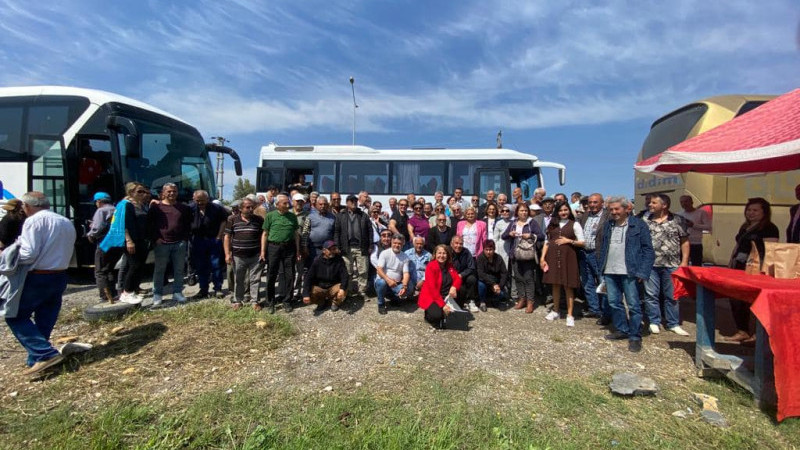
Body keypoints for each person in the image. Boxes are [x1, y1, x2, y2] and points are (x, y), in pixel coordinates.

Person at [3, 192, 76, 375]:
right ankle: (36, 360)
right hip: (59, 275)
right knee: (45, 317)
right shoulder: (65, 221)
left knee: (15, 316)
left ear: (27, 207)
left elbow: (29, 254)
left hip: (38, 276)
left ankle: (44, 354)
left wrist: (9, 255)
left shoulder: (33, 221)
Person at [596, 196, 655, 353]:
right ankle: (622, 329)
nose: (614, 212)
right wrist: (600, 267)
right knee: (614, 302)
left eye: (617, 209)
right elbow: (603, 247)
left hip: (630, 270)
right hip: (610, 270)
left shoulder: (638, 225)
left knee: (634, 305)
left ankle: (635, 336)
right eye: (611, 209)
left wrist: (643, 271)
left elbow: (648, 249)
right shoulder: (609, 225)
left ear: (626, 209)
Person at [726, 197, 780, 343]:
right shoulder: (745, 227)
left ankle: (758, 335)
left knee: (756, 302)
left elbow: (770, 251)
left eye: (755, 210)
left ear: (764, 212)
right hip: (739, 267)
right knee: (736, 299)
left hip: (757, 270)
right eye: (749, 210)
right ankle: (742, 331)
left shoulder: (769, 228)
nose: (751, 213)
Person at [643, 194, 690, 336]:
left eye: (654, 203)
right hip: (651, 264)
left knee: (672, 295)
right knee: (651, 294)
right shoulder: (645, 220)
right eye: (650, 202)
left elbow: (685, 241)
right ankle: (654, 321)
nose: (650, 205)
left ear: (664, 205)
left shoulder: (678, 220)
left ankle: (673, 323)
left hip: (672, 263)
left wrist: (685, 261)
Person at [540, 201, 584, 327]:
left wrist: (569, 240)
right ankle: (556, 311)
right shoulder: (552, 225)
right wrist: (543, 258)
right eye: (560, 210)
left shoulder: (574, 224)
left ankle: (570, 315)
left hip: (568, 258)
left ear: (569, 211)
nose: (563, 212)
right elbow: (547, 242)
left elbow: (582, 242)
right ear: (557, 212)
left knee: (568, 285)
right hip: (553, 258)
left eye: (565, 210)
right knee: (555, 285)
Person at [148, 183, 192, 306]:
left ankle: (177, 292)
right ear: (163, 193)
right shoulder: (156, 208)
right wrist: (156, 239)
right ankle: (157, 294)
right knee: (159, 270)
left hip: (179, 243)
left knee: (179, 270)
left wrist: (184, 239)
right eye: (169, 191)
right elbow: (150, 225)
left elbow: (187, 224)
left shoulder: (183, 208)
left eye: (174, 191)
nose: (172, 193)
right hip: (162, 243)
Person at [260, 194, 301, 313]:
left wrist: (297, 250)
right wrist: (263, 251)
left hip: (289, 248)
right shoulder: (270, 216)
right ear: (277, 205)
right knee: (271, 274)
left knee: (290, 274)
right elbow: (265, 234)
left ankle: (287, 301)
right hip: (273, 247)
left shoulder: (292, 216)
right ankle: (270, 302)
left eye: (288, 202)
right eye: (284, 203)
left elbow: (296, 234)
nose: (287, 205)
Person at [502, 203, 545, 314]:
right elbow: (503, 236)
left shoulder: (532, 222)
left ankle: (530, 301)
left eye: (525, 210)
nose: (524, 212)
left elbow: (541, 236)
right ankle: (522, 299)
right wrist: (510, 234)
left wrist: (530, 235)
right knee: (518, 278)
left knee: (529, 279)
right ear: (517, 212)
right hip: (515, 254)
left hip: (528, 254)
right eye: (521, 210)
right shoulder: (513, 223)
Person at [112, 182, 150, 305]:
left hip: (141, 240)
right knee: (134, 266)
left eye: (144, 191)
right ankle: (126, 292)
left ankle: (133, 290)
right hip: (130, 241)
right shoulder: (125, 205)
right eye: (139, 191)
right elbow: (123, 224)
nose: (143, 194)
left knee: (139, 266)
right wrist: (128, 240)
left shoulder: (140, 205)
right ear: (131, 192)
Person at [224, 197, 264, 310]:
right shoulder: (232, 219)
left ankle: (254, 301)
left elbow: (263, 236)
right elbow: (227, 237)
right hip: (238, 256)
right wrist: (227, 254)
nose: (250, 209)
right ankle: (238, 301)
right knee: (239, 279)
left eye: (252, 207)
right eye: (247, 207)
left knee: (255, 279)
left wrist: (262, 252)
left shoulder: (259, 220)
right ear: (241, 208)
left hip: (255, 255)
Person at [577, 193, 610, 322]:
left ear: (602, 203)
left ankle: (606, 312)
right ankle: (594, 309)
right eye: (590, 202)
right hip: (584, 253)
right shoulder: (584, 216)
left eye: (595, 202)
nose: (592, 205)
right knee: (587, 282)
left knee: (603, 283)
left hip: (599, 253)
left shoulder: (608, 216)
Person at [190, 190, 228, 299]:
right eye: (197, 201)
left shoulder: (217, 208)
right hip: (198, 240)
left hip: (213, 239)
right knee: (201, 266)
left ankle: (218, 289)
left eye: (202, 200)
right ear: (194, 199)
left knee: (216, 265)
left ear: (207, 199)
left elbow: (224, 221)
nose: (200, 203)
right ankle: (203, 290)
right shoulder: (190, 208)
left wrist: (219, 236)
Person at [334, 194, 372, 296]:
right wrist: (337, 246)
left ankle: (362, 291)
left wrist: (370, 245)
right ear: (347, 203)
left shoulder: (363, 215)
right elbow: (337, 232)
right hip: (347, 248)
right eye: (351, 201)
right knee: (348, 271)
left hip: (361, 247)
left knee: (363, 270)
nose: (353, 203)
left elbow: (370, 231)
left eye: (355, 201)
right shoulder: (340, 216)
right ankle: (349, 290)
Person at [417, 244, 461, 329]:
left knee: (461, 290)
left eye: (444, 253)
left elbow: (458, 278)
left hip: (445, 295)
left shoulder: (449, 266)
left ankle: (448, 312)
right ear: (435, 255)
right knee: (436, 316)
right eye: (439, 253)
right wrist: (443, 305)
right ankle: (428, 314)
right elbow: (433, 290)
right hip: (432, 297)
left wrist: (454, 287)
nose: (441, 255)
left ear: (447, 255)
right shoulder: (431, 266)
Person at [86, 192, 119, 302]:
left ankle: (104, 296)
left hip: (104, 243)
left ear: (99, 201)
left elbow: (98, 227)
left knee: (100, 271)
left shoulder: (101, 211)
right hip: (117, 243)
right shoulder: (116, 209)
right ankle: (113, 292)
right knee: (109, 269)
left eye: (96, 202)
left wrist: (90, 234)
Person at [302, 240, 349, 312]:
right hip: (320, 287)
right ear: (324, 251)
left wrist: (342, 289)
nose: (333, 251)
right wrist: (305, 294)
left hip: (333, 286)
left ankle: (335, 302)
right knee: (310, 291)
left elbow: (345, 276)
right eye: (330, 249)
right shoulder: (317, 261)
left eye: (334, 249)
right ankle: (321, 302)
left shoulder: (339, 260)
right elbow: (308, 278)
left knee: (343, 289)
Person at [374, 234, 411, 315]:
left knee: (405, 291)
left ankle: (394, 299)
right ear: (391, 242)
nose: (397, 245)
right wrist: (388, 280)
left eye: (399, 243)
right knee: (381, 283)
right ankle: (381, 304)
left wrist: (404, 286)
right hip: (384, 281)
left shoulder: (405, 257)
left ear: (403, 244)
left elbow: (406, 273)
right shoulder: (384, 253)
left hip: (396, 284)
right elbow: (379, 270)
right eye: (395, 243)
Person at [677, 195, 711, 266]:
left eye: (686, 201)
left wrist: (693, 225)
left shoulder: (701, 213)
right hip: (682, 244)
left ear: (692, 202)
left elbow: (708, 227)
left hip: (696, 244)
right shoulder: (679, 214)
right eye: (682, 202)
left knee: (696, 265)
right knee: (681, 264)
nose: (684, 204)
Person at [476, 239, 509, 311]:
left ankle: (495, 301)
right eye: (486, 249)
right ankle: (482, 302)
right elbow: (481, 274)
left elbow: (504, 273)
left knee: (503, 294)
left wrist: (500, 286)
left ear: (494, 249)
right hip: (485, 282)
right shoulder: (480, 258)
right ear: (483, 249)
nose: (488, 252)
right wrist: (492, 284)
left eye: (490, 250)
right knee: (480, 284)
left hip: (497, 283)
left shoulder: (498, 258)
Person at [302, 195, 336, 261]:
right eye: (320, 204)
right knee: (314, 267)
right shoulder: (310, 216)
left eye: (325, 204)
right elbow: (305, 232)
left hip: (328, 248)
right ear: (316, 205)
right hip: (313, 248)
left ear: (328, 205)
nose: (323, 206)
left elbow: (335, 232)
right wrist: (304, 246)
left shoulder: (333, 217)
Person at [450, 235, 478, 311]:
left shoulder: (466, 252)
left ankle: (470, 301)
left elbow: (471, 267)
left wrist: (461, 275)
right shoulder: (447, 251)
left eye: (461, 244)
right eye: (456, 243)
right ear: (451, 244)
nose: (458, 246)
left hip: (463, 275)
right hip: (450, 276)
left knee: (472, 279)